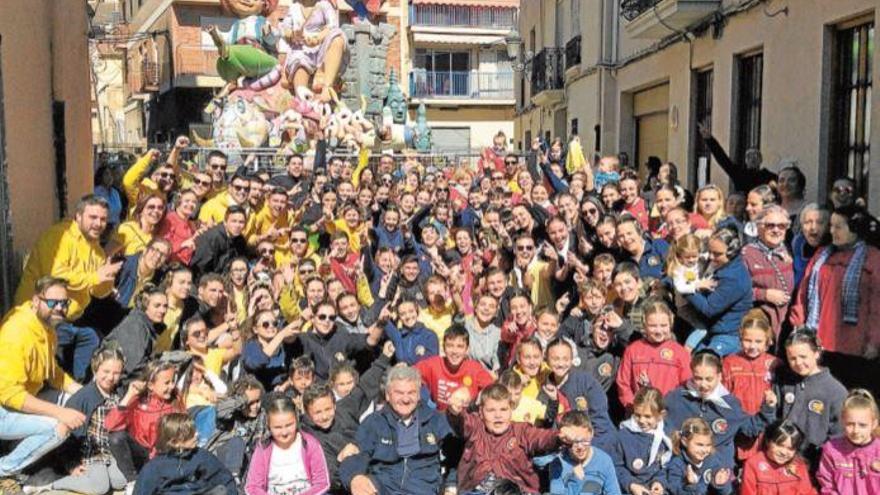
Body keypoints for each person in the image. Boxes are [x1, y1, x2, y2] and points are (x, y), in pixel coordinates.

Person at [15, 195, 122, 381]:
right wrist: (95, 277)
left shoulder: (96, 250)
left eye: (103, 219)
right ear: (78, 216)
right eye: (93, 217)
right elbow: (55, 275)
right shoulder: (60, 235)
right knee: (47, 372)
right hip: (41, 318)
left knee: (90, 339)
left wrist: (107, 280)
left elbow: (98, 291)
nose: (98, 224)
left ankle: (78, 391)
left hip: (71, 320)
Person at [0, 277, 84, 491]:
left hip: (23, 400)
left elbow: (54, 374)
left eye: (63, 303)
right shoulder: (16, 333)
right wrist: (59, 413)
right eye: (52, 302)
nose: (59, 308)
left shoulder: (46, 327)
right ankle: (5, 470)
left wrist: (84, 392)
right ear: (36, 300)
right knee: (58, 427)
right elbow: (9, 394)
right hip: (4, 407)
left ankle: (54, 456)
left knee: (76, 401)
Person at [789, 205, 880, 394]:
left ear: (855, 229)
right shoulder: (822, 255)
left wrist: (874, 341)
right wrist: (798, 324)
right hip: (821, 340)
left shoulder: (873, 257)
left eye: (838, 227)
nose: (832, 231)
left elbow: (876, 304)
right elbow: (803, 293)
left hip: (856, 345)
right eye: (831, 226)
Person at [445, 383, 582, 494]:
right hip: (477, 490)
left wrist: (559, 437)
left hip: (517, 490)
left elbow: (542, 438)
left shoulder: (521, 431)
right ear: (481, 412)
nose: (498, 415)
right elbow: (461, 421)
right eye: (491, 410)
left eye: (503, 409)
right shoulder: (475, 427)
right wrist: (454, 410)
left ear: (511, 410)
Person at [339, 365, 453, 495]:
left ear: (419, 395)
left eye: (411, 393)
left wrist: (451, 485)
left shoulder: (435, 420)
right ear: (387, 395)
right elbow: (357, 455)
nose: (405, 399)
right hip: (383, 486)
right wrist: (354, 477)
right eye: (399, 393)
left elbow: (456, 454)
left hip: (422, 487)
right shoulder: (375, 422)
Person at [664, 351, 777, 468]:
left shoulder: (729, 404)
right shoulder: (677, 398)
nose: (703, 384)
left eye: (709, 379)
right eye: (698, 378)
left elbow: (749, 428)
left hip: (717, 471)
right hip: (681, 469)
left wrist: (768, 408)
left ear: (719, 376)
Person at [105, 360, 185, 490]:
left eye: (172, 381)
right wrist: (129, 395)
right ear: (151, 385)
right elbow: (110, 425)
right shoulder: (137, 401)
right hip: (142, 454)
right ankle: (132, 482)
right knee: (116, 437)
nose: (171, 386)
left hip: (165, 456)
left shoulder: (175, 400)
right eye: (166, 383)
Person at [773, 328, 847, 465]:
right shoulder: (784, 382)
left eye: (803, 357)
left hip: (814, 463)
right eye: (792, 358)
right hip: (782, 456)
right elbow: (774, 416)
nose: (798, 363)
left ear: (816, 353)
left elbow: (839, 434)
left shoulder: (835, 391)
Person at [683, 226, 753, 356]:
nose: (711, 256)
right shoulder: (723, 267)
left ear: (732, 252)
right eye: (710, 251)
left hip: (727, 336)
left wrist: (686, 288)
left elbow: (709, 308)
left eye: (717, 254)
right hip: (712, 332)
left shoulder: (734, 278)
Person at [721, 310, 780, 462]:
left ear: (768, 342)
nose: (753, 346)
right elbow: (722, 396)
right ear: (740, 340)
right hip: (738, 428)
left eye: (758, 342)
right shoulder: (730, 362)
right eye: (748, 340)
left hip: (766, 431)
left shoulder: (774, 364)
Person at [244, 393, 330, 495]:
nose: (284, 432)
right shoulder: (263, 448)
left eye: (289, 425)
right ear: (268, 426)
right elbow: (252, 487)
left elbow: (322, 483)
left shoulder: (309, 444)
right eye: (277, 427)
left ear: (296, 421)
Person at [134, 413, 237, 495]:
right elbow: (142, 491)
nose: (197, 435)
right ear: (175, 442)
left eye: (195, 430)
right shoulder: (155, 467)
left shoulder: (201, 456)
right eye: (190, 434)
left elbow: (223, 477)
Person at [616, 298, 690, 410]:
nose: (659, 331)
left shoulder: (679, 352)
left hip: (670, 413)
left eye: (663, 325)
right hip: (640, 414)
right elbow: (623, 383)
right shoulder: (633, 350)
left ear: (670, 324)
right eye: (653, 326)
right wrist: (633, 406)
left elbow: (687, 385)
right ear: (644, 325)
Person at [534, 411, 622, 495]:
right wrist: (576, 481)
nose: (580, 447)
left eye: (584, 440)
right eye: (574, 442)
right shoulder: (558, 463)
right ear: (565, 440)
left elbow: (614, 492)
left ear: (591, 434)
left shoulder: (604, 461)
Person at [413, 324, 494, 411]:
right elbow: (408, 374)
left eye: (460, 346)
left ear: (467, 349)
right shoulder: (433, 365)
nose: (454, 351)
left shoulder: (474, 369)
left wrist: (476, 400)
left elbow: (494, 390)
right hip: (441, 417)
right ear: (444, 348)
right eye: (450, 346)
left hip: (467, 419)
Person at [742, 205, 794, 338]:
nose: (776, 230)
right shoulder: (747, 254)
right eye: (770, 225)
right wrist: (764, 294)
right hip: (760, 328)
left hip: (788, 325)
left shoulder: (791, 251)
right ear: (759, 227)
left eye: (782, 226)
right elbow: (734, 292)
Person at [816, 389, 880, 494]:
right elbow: (827, 483)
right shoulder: (831, 449)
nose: (856, 430)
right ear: (842, 422)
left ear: (873, 424)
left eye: (862, 425)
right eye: (850, 424)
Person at [612, 387, 672, 495]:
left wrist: (659, 482)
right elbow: (617, 467)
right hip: (630, 489)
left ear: (660, 415)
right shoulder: (623, 436)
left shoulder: (665, 438)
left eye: (648, 417)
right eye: (638, 415)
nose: (642, 421)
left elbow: (665, 467)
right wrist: (631, 484)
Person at [697, 120, 777, 192]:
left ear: (760, 159)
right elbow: (722, 158)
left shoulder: (767, 176)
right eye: (749, 156)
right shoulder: (739, 174)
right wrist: (709, 139)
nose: (752, 159)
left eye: (755, 156)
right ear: (745, 160)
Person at [740, 420, 817, 495]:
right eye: (779, 445)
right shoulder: (753, 465)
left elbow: (807, 491)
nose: (783, 452)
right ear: (768, 441)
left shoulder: (798, 465)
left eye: (790, 448)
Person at [665, 418, 733, 495]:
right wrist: (690, 485)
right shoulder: (677, 464)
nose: (704, 450)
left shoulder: (712, 460)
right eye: (699, 445)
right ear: (684, 442)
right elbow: (673, 490)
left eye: (708, 445)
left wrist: (720, 484)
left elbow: (726, 492)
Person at [190, 205, 249, 279]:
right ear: (225, 222)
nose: (237, 225)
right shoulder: (211, 237)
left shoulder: (240, 240)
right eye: (234, 221)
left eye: (241, 222)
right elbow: (200, 267)